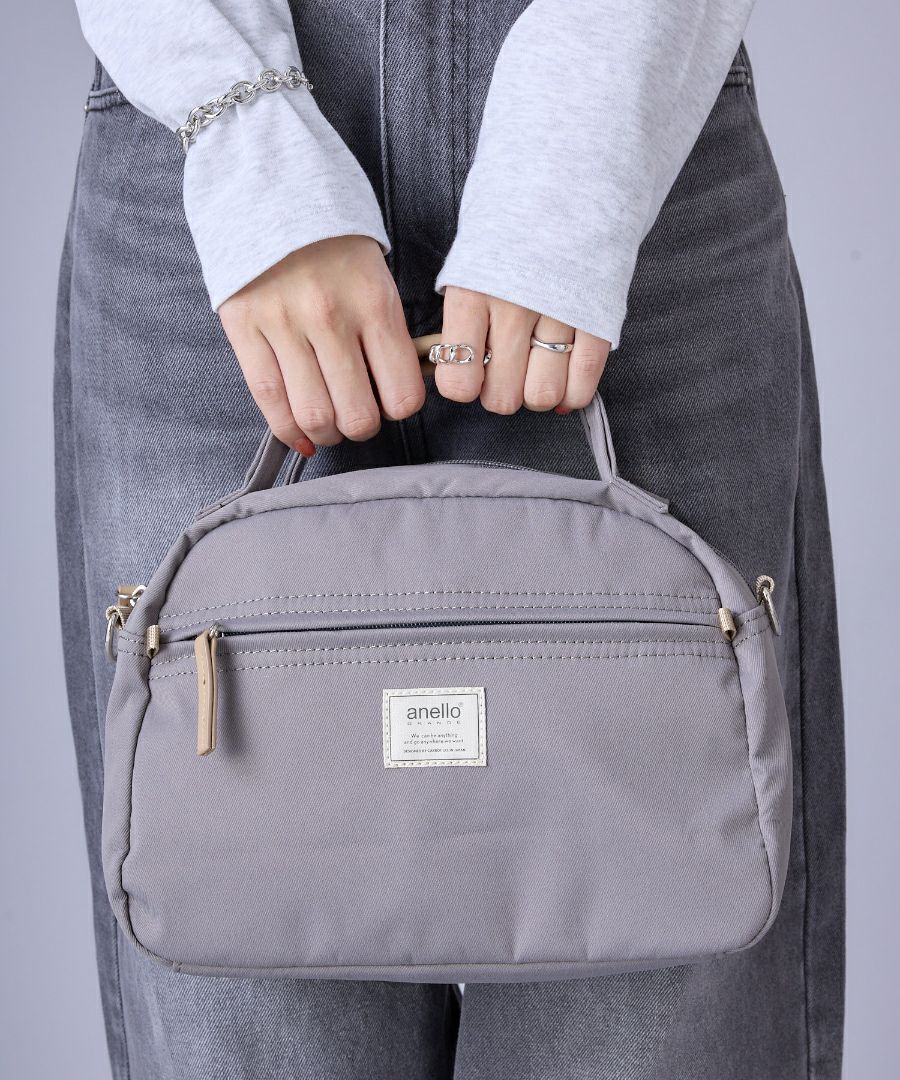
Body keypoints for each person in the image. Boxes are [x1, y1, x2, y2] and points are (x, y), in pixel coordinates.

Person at [56, 1, 845, 1077]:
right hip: (210, 131)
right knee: (239, 1008)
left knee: (667, 1005)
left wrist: (589, 124)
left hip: (632, 94)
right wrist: (247, 144)